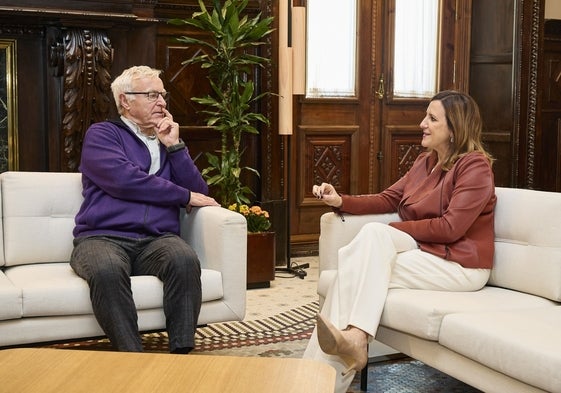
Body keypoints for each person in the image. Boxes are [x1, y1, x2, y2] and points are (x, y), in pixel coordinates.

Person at [305, 90, 496, 392]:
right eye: (425, 116)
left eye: (432, 119)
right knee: (355, 271)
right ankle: (342, 352)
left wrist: (398, 228)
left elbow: (450, 228)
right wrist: (340, 199)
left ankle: (316, 376)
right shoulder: (424, 163)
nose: (422, 123)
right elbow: (388, 198)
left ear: (454, 129)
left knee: (364, 254)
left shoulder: (475, 167)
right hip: (428, 256)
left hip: (461, 266)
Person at [70, 65, 219, 354]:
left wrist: (175, 147)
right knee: (107, 270)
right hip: (102, 237)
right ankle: (133, 359)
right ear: (125, 101)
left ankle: (181, 354)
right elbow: (126, 182)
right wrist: (182, 195)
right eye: (152, 95)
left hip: (156, 239)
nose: (162, 102)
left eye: (162, 95)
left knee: (184, 259)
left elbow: (198, 192)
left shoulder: (166, 141)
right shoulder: (102, 135)